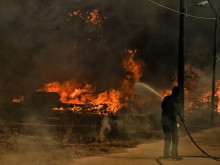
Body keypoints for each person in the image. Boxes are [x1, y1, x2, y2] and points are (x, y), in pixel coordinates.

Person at [161, 86, 184, 159]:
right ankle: (174, 154)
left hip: (164, 121)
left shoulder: (166, 98)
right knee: (175, 137)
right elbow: (177, 110)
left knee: (167, 137)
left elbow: (162, 107)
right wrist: (181, 118)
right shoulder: (175, 100)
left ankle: (166, 154)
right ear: (177, 93)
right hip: (171, 121)